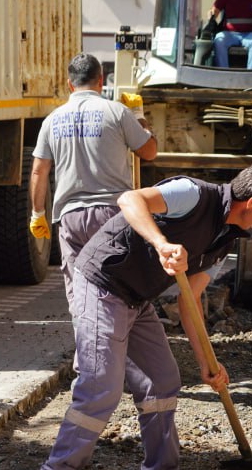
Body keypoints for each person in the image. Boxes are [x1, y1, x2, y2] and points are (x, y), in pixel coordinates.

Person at [33, 163, 252, 470]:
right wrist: (161, 243)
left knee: (163, 381)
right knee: (100, 386)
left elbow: (191, 301)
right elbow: (130, 199)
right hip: (102, 284)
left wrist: (207, 364)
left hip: (137, 299)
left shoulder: (226, 238)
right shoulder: (193, 194)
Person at [29, 53, 158, 304]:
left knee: (79, 289)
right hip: (112, 214)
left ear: (70, 84)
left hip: (70, 218)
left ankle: (85, 341)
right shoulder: (117, 112)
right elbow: (149, 151)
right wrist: (139, 115)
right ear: (100, 81)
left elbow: (38, 171)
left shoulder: (52, 120)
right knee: (114, 285)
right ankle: (112, 339)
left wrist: (37, 214)